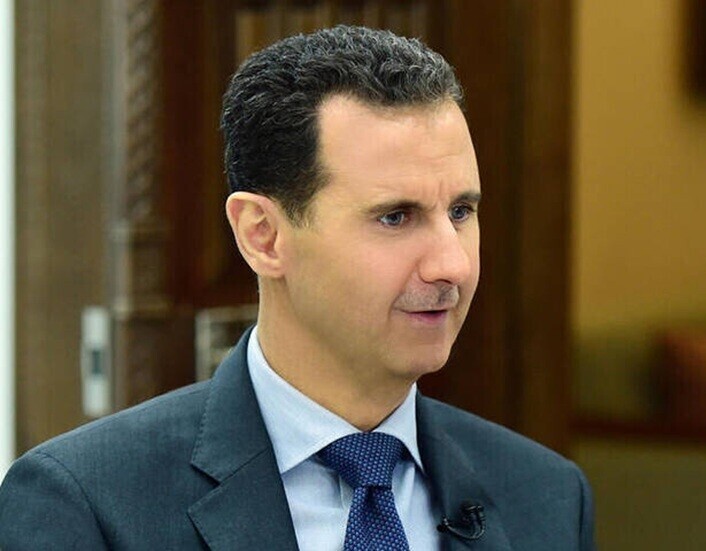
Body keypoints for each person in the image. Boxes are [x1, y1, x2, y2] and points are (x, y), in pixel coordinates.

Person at [0, 26, 594, 550]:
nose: (452, 265)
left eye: (461, 211)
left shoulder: (546, 496)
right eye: (395, 217)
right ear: (262, 236)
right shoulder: (86, 503)